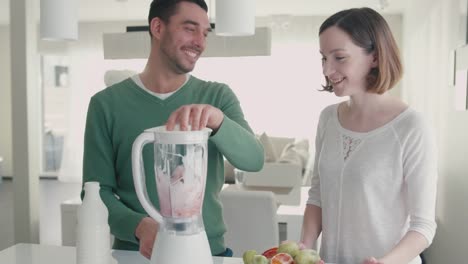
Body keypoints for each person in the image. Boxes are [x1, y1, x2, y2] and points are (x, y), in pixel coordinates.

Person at [82, 0, 264, 259]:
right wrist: (138, 225)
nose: (200, 42)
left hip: (207, 252)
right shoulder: (105, 105)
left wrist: (218, 120)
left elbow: (254, 160)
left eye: (205, 33)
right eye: (190, 29)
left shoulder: (217, 96)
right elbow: (95, 191)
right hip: (135, 254)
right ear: (157, 27)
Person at [300, 7, 438, 264]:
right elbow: (317, 195)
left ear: (374, 57)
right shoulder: (328, 119)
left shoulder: (412, 127)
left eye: (339, 57)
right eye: (323, 58)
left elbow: (423, 227)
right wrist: (303, 248)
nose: (327, 70)